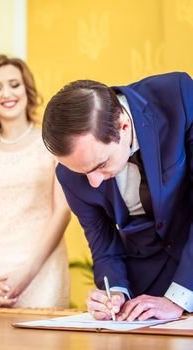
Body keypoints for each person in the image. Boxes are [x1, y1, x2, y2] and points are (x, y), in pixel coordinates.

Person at [42, 73, 193, 321]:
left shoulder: (178, 96)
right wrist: (115, 293)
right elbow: (104, 246)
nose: (93, 182)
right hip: (145, 292)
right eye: (82, 172)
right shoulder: (68, 174)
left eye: (100, 165)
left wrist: (178, 297)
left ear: (123, 125)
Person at [0, 54, 71, 308]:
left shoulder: (50, 143)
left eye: (14, 84)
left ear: (26, 88)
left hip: (42, 269)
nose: (6, 94)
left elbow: (63, 211)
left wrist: (28, 272)